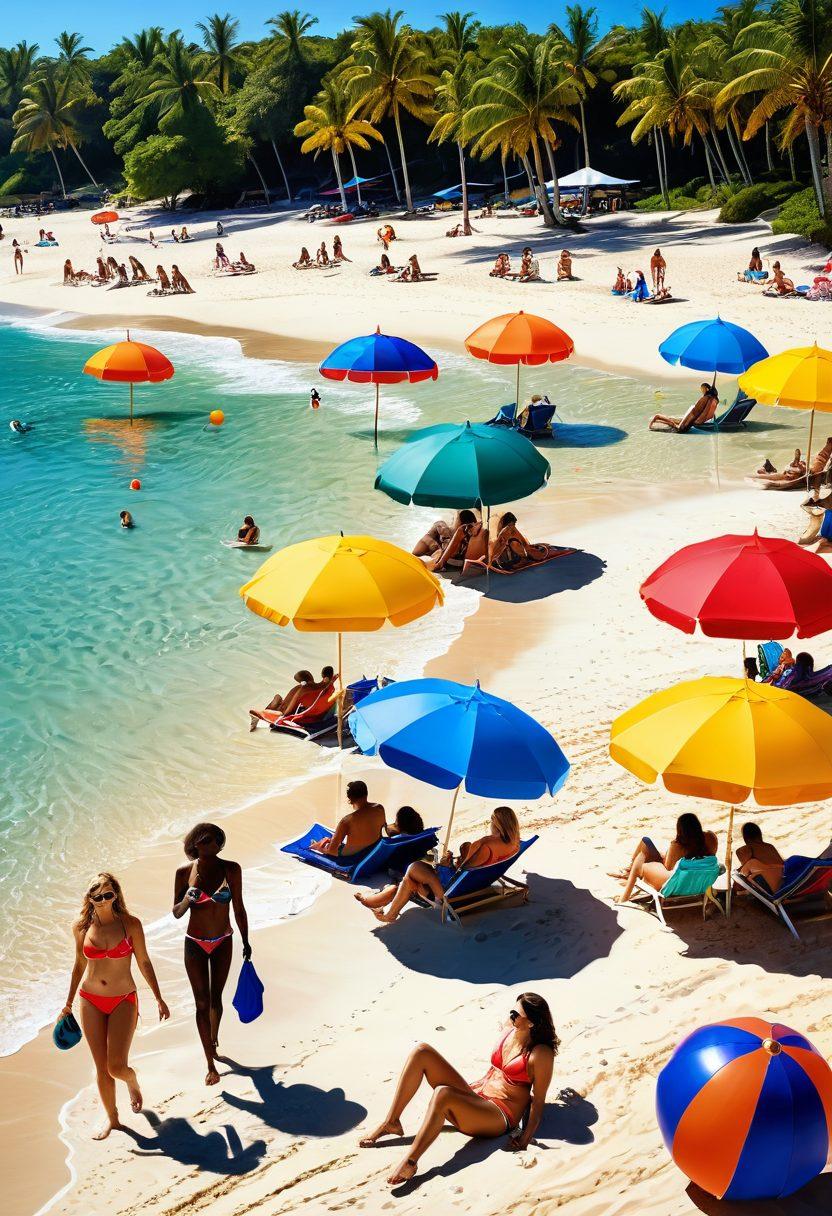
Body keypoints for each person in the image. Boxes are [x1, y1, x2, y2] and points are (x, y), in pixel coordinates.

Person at [358, 993, 557, 1184]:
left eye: (515, 1014)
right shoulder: (510, 1028)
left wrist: (524, 1139)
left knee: (442, 1093)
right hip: (478, 1096)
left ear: (531, 1022)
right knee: (421, 1052)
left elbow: (538, 1100)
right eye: (511, 1012)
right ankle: (391, 1122)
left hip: (499, 1116)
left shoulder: (540, 1054)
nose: (510, 1016)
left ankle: (411, 1161)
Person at [60, 873, 170, 1138]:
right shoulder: (81, 927)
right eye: (97, 896)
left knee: (116, 1067)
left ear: (116, 895)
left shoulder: (130, 925)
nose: (103, 901)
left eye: (108, 895)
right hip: (90, 999)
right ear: (89, 898)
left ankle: (131, 1080)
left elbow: (144, 961)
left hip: (123, 999)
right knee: (101, 1067)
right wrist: (68, 1003)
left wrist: (158, 997)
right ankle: (114, 1120)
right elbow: (79, 965)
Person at [172, 824, 250, 1085]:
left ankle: (213, 1041)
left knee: (216, 998)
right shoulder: (184, 873)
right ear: (194, 844)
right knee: (201, 1004)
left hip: (223, 941)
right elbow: (176, 912)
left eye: (216, 839)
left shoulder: (231, 869)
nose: (211, 844)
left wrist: (246, 940)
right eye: (205, 840)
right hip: (194, 944)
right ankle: (210, 1064)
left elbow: (239, 909)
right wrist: (188, 898)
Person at [355, 806, 521, 922]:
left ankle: (387, 911)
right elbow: (474, 868)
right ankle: (387, 913)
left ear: (496, 823)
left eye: (491, 820)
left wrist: (446, 864)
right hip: (476, 885)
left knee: (414, 868)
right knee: (409, 881)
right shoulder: (515, 845)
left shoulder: (486, 844)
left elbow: (462, 871)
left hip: (449, 892)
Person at [612, 813, 718, 903]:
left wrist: (664, 858)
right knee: (646, 844)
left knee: (641, 857)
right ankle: (630, 872)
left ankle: (624, 896)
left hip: (673, 884)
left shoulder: (677, 845)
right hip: (696, 881)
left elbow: (668, 869)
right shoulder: (710, 840)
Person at [310, 779, 385, 858]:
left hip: (353, 856)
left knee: (325, 845)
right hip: (373, 849)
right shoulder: (379, 808)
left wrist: (318, 847)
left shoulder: (347, 821)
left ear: (350, 800)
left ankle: (317, 845)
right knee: (331, 841)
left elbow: (332, 851)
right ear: (366, 794)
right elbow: (382, 831)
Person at [249, 666, 335, 729]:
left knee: (278, 699)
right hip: (283, 707)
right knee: (278, 701)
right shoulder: (323, 687)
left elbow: (288, 710)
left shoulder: (302, 689)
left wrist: (284, 715)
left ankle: (263, 712)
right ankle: (267, 709)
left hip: (281, 708)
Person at [421, 508, 486, 571]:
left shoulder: (462, 530)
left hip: (457, 563)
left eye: (457, 520)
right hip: (467, 562)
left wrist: (440, 560)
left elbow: (454, 552)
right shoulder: (476, 529)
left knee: (438, 552)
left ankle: (439, 564)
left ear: (460, 522)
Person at [487, 512, 554, 571]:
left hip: (512, 558)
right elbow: (498, 547)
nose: (513, 526)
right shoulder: (505, 532)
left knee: (516, 544)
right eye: (511, 525)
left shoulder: (511, 530)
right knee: (513, 543)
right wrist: (491, 560)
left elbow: (523, 542)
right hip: (507, 560)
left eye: (514, 524)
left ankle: (528, 556)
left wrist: (531, 548)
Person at [649, 383, 719, 432]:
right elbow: (700, 412)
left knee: (679, 424)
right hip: (693, 414)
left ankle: (658, 419)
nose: (702, 391)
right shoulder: (710, 399)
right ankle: (658, 416)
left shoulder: (708, 398)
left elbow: (704, 411)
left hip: (693, 413)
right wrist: (695, 421)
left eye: (702, 389)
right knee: (679, 427)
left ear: (707, 389)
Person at [736, 822, 784, 892]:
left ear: (744, 836)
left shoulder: (743, 850)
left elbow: (745, 870)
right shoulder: (770, 846)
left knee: (739, 876)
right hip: (783, 883)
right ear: (759, 833)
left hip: (769, 887)